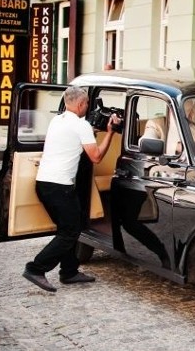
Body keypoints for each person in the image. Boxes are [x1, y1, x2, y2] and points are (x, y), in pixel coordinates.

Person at [22, 86, 121, 292]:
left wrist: (93, 131)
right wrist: (110, 133)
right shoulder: (80, 125)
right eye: (86, 103)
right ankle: (36, 268)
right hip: (60, 187)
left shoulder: (58, 120)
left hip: (44, 184)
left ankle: (69, 271)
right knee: (71, 231)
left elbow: (75, 138)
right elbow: (96, 157)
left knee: (66, 228)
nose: (87, 106)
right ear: (80, 104)